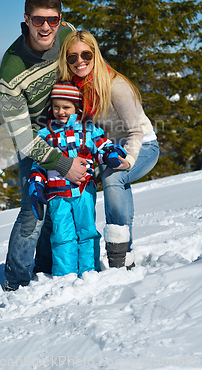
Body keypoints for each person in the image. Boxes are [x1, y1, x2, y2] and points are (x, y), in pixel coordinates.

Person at [0, 0, 90, 291]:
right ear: (26, 19)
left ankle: (47, 268)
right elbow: (23, 140)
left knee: (64, 202)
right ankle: (16, 282)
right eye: (38, 21)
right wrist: (62, 165)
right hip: (35, 139)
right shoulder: (11, 70)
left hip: (68, 130)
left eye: (52, 20)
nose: (46, 27)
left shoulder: (67, 35)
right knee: (34, 211)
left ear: (60, 19)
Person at [58, 30, 160, 269]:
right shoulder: (73, 88)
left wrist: (130, 160)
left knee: (115, 176)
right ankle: (129, 255)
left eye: (86, 54)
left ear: (95, 55)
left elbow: (135, 133)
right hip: (109, 149)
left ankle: (117, 256)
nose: (79, 61)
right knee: (118, 183)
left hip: (143, 145)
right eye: (72, 57)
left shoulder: (116, 86)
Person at [29, 81, 126, 277]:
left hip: (84, 190)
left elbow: (101, 146)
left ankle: (90, 271)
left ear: (76, 108)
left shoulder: (88, 130)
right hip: (57, 194)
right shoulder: (45, 135)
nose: (60, 111)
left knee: (87, 230)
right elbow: (39, 164)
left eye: (66, 107)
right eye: (56, 106)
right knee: (62, 235)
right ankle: (65, 275)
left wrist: (110, 154)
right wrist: (36, 185)